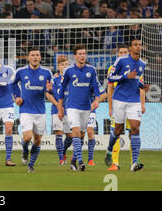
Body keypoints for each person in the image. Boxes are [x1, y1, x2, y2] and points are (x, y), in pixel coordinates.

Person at [105, 39, 150, 172]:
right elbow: (110, 78)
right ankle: (109, 149)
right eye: (135, 45)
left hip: (134, 100)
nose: (138, 47)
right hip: (119, 99)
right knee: (118, 130)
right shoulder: (121, 61)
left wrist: (143, 86)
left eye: (140, 45)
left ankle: (134, 162)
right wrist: (125, 76)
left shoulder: (142, 64)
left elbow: (136, 81)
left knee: (135, 128)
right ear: (131, 48)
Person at [12, 47, 57, 173]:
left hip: (40, 111)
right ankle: (25, 152)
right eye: (32, 55)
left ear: (40, 57)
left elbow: (50, 90)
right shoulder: (21, 72)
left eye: (37, 55)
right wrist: (17, 97)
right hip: (26, 110)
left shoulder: (47, 72)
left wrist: (50, 90)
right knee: (27, 137)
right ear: (28, 57)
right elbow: (12, 84)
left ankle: (30, 165)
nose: (35, 57)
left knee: (37, 140)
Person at [58, 44, 101, 172]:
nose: (82, 56)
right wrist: (60, 107)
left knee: (82, 135)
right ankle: (81, 161)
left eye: (84, 53)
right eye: (80, 54)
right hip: (72, 106)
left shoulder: (92, 70)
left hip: (86, 107)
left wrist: (97, 100)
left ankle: (72, 162)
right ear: (75, 56)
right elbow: (61, 90)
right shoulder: (69, 71)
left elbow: (96, 88)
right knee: (75, 133)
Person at [106, 44, 133, 171]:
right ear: (117, 54)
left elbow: (141, 88)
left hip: (132, 104)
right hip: (117, 105)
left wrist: (142, 105)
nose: (123, 54)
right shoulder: (112, 68)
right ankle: (115, 163)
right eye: (120, 52)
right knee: (116, 133)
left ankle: (134, 162)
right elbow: (110, 88)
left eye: (125, 52)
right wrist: (110, 107)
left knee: (133, 134)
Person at [50, 55, 72, 165]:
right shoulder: (54, 80)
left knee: (71, 136)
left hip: (70, 109)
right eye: (62, 65)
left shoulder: (72, 78)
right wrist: (58, 106)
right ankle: (61, 159)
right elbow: (48, 94)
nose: (65, 67)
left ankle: (63, 152)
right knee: (59, 133)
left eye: (67, 64)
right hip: (56, 109)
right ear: (58, 67)